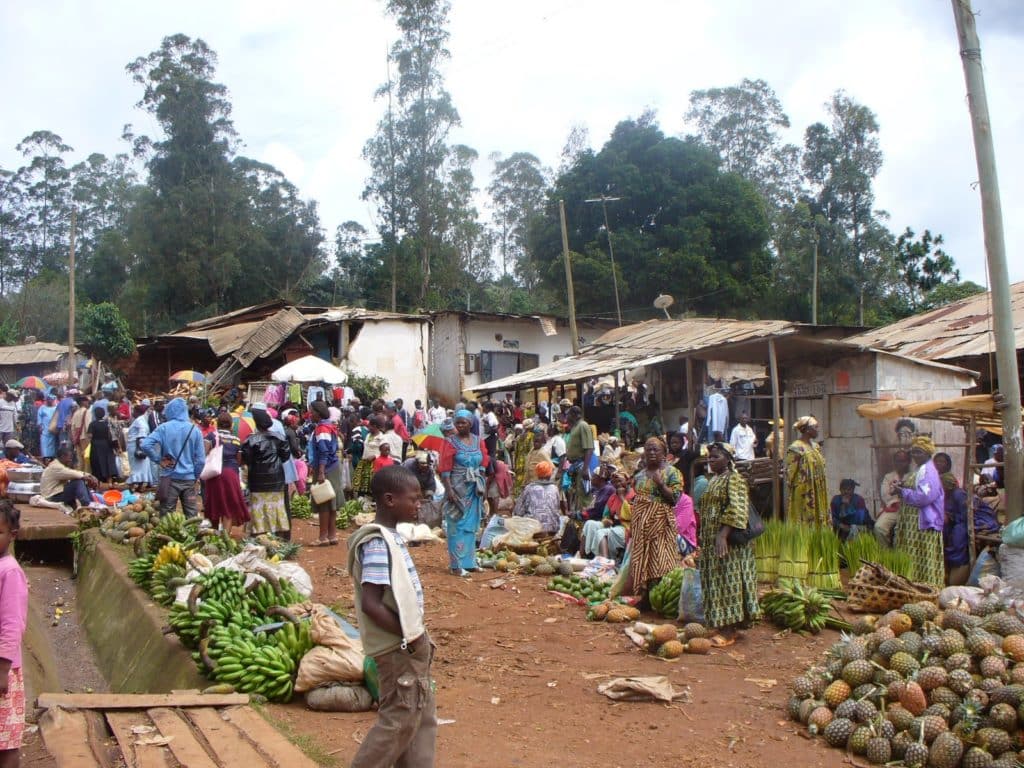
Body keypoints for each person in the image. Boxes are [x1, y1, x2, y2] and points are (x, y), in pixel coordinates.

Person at [346, 466, 436, 767]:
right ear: (389, 500)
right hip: (398, 645)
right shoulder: (376, 542)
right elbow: (372, 603)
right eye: (414, 499)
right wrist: (406, 638)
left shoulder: (392, 537)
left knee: (420, 716)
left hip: (409, 641)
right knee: (398, 719)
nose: (418, 505)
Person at [697, 442, 761, 637]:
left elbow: (737, 508)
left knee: (729, 579)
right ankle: (720, 622)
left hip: (727, 543)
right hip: (711, 542)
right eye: (709, 456)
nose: (710, 459)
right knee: (715, 581)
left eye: (715, 456)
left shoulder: (734, 479)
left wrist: (723, 535)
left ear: (727, 459)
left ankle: (730, 628)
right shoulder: (714, 479)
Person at [626, 437, 683, 600]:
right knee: (642, 559)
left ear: (664, 453)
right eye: (648, 449)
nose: (651, 453)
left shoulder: (672, 472)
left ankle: (661, 597)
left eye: (655, 450)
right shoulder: (639, 475)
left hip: (661, 524)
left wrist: (660, 484)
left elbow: (675, 499)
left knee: (661, 559)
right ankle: (645, 597)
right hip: (641, 525)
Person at [438, 409, 489, 577]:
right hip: (457, 487)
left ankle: (470, 562)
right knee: (456, 525)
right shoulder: (450, 442)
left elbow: (483, 462)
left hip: (474, 489)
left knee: (471, 526)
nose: (460, 425)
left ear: (471, 423)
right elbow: (445, 469)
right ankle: (456, 565)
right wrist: (449, 489)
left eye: (463, 422)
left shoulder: (477, 441)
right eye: (457, 422)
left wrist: (482, 482)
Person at [892, 435, 945, 588]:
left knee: (923, 557)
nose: (915, 455)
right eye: (913, 452)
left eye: (919, 452)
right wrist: (903, 485)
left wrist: (903, 492)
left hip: (923, 522)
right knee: (915, 557)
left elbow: (925, 497)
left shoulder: (928, 471)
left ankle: (926, 589)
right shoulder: (921, 469)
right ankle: (913, 587)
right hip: (915, 523)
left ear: (928, 453)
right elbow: (917, 487)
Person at [142, 397, 205, 517]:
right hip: (188, 479)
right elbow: (201, 460)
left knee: (167, 516)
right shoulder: (195, 430)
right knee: (191, 517)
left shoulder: (164, 428)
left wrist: (158, 460)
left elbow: (145, 445)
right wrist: (194, 476)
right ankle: (193, 535)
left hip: (169, 478)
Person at [0, 501, 28, 768]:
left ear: (12, 535)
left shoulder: (9, 572)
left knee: (6, 742)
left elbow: (12, 624)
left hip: (3, 669)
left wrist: (3, 668)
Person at [241, 409, 290, 538]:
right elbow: (285, 457)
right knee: (276, 510)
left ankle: (258, 539)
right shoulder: (280, 438)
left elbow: (246, 459)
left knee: (258, 510)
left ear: (256, 423)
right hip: (276, 480)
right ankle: (277, 540)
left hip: (257, 481)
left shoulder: (250, 440)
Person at [201, 413, 249, 531]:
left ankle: (214, 532)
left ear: (217, 423)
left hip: (214, 474)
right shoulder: (236, 439)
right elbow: (239, 461)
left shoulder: (211, 436)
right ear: (231, 425)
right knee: (228, 506)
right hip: (231, 475)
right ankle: (226, 537)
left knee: (214, 504)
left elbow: (204, 454)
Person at [309, 401, 343, 546]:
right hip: (333, 466)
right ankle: (332, 535)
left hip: (326, 468)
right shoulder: (330, 426)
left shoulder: (322, 429)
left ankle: (323, 537)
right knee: (331, 502)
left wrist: (321, 472)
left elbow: (323, 451)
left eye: (312, 412)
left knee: (324, 502)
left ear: (318, 413)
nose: (310, 415)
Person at [785, 416, 828, 526]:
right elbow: (790, 474)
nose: (818, 429)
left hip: (818, 490)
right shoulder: (796, 448)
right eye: (815, 427)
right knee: (805, 521)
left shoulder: (815, 446)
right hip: (804, 492)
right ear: (807, 430)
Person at [581, 470, 633, 559]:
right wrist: (606, 520)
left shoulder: (633, 495)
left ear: (627, 481)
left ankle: (605, 563)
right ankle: (585, 555)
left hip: (627, 528)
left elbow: (631, 515)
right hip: (614, 525)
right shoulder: (613, 496)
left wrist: (621, 497)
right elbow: (606, 514)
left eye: (620, 481)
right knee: (590, 524)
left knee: (601, 533)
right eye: (614, 482)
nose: (617, 484)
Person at [511, 460, 561, 535]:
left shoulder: (529, 488)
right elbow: (556, 509)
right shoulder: (555, 488)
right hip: (553, 528)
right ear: (550, 474)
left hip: (533, 528)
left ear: (537, 474)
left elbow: (518, 511)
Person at [40, 444, 96, 509]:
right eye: (69, 457)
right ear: (62, 456)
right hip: (52, 497)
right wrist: (89, 477)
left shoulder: (59, 465)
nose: (70, 460)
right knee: (78, 482)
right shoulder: (56, 467)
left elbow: (73, 472)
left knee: (81, 480)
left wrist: (89, 476)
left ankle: (90, 502)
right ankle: (87, 504)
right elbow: (73, 474)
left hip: (56, 494)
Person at [877, 449, 912, 547]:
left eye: (903, 461)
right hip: (893, 509)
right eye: (898, 461)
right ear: (894, 462)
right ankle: (886, 555)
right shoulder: (888, 476)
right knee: (879, 527)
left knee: (901, 531)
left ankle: (901, 557)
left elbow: (916, 494)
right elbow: (885, 494)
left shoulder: (913, 476)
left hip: (909, 510)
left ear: (908, 461)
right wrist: (896, 501)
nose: (900, 464)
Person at [564, 406, 595, 514]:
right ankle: (578, 517)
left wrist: (586, 468)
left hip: (582, 465)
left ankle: (586, 517)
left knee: (584, 494)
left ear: (574, 415)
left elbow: (589, 448)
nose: (566, 417)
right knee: (577, 493)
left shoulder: (583, 426)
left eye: (568, 414)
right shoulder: (574, 427)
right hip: (574, 466)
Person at [941, 471, 970, 586]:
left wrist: (951, 517)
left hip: (962, 524)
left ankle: (958, 564)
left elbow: (966, 515)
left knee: (958, 536)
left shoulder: (959, 494)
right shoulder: (947, 496)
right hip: (953, 524)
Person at [87, 406, 120, 483]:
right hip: (107, 445)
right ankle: (110, 482)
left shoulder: (93, 424)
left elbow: (89, 436)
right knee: (108, 462)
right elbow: (113, 435)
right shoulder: (107, 423)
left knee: (97, 463)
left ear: (95, 414)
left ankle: (99, 482)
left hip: (96, 446)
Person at [125, 405, 156, 489]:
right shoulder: (142, 420)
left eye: (133, 411)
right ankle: (140, 484)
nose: (132, 413)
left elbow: (141, 434)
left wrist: (139, 448)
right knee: (140, 466)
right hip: (138, 444)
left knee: (136, 466)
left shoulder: (139, 420)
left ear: (138, 412)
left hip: (135, 445)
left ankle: (136, 484)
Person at [353, 416, 385, 496]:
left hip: (374, 465)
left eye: (369, 426)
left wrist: (375, 456)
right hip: (365, 463)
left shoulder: (382, 438)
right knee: (362, 487)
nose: (368, 428)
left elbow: (385, 452)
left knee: (372, 487)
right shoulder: (368, 435)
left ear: (374, 426)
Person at [674, 488, 697, 556]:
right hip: (670, 533)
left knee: (666, 537)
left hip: (687, 542)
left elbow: (679, 527)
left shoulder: (686, 500)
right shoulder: (661, 500)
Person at [37, 394, 58, 461]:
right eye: (48, 399)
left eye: (51, 400)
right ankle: (45, 460)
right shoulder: (42, 408)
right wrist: (40, 426)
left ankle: (52, 460)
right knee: (44, 446)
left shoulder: (56, 408)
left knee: (53, 447)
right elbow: (39, 418)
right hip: (44, 431)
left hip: (53, 431)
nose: (49, 401)